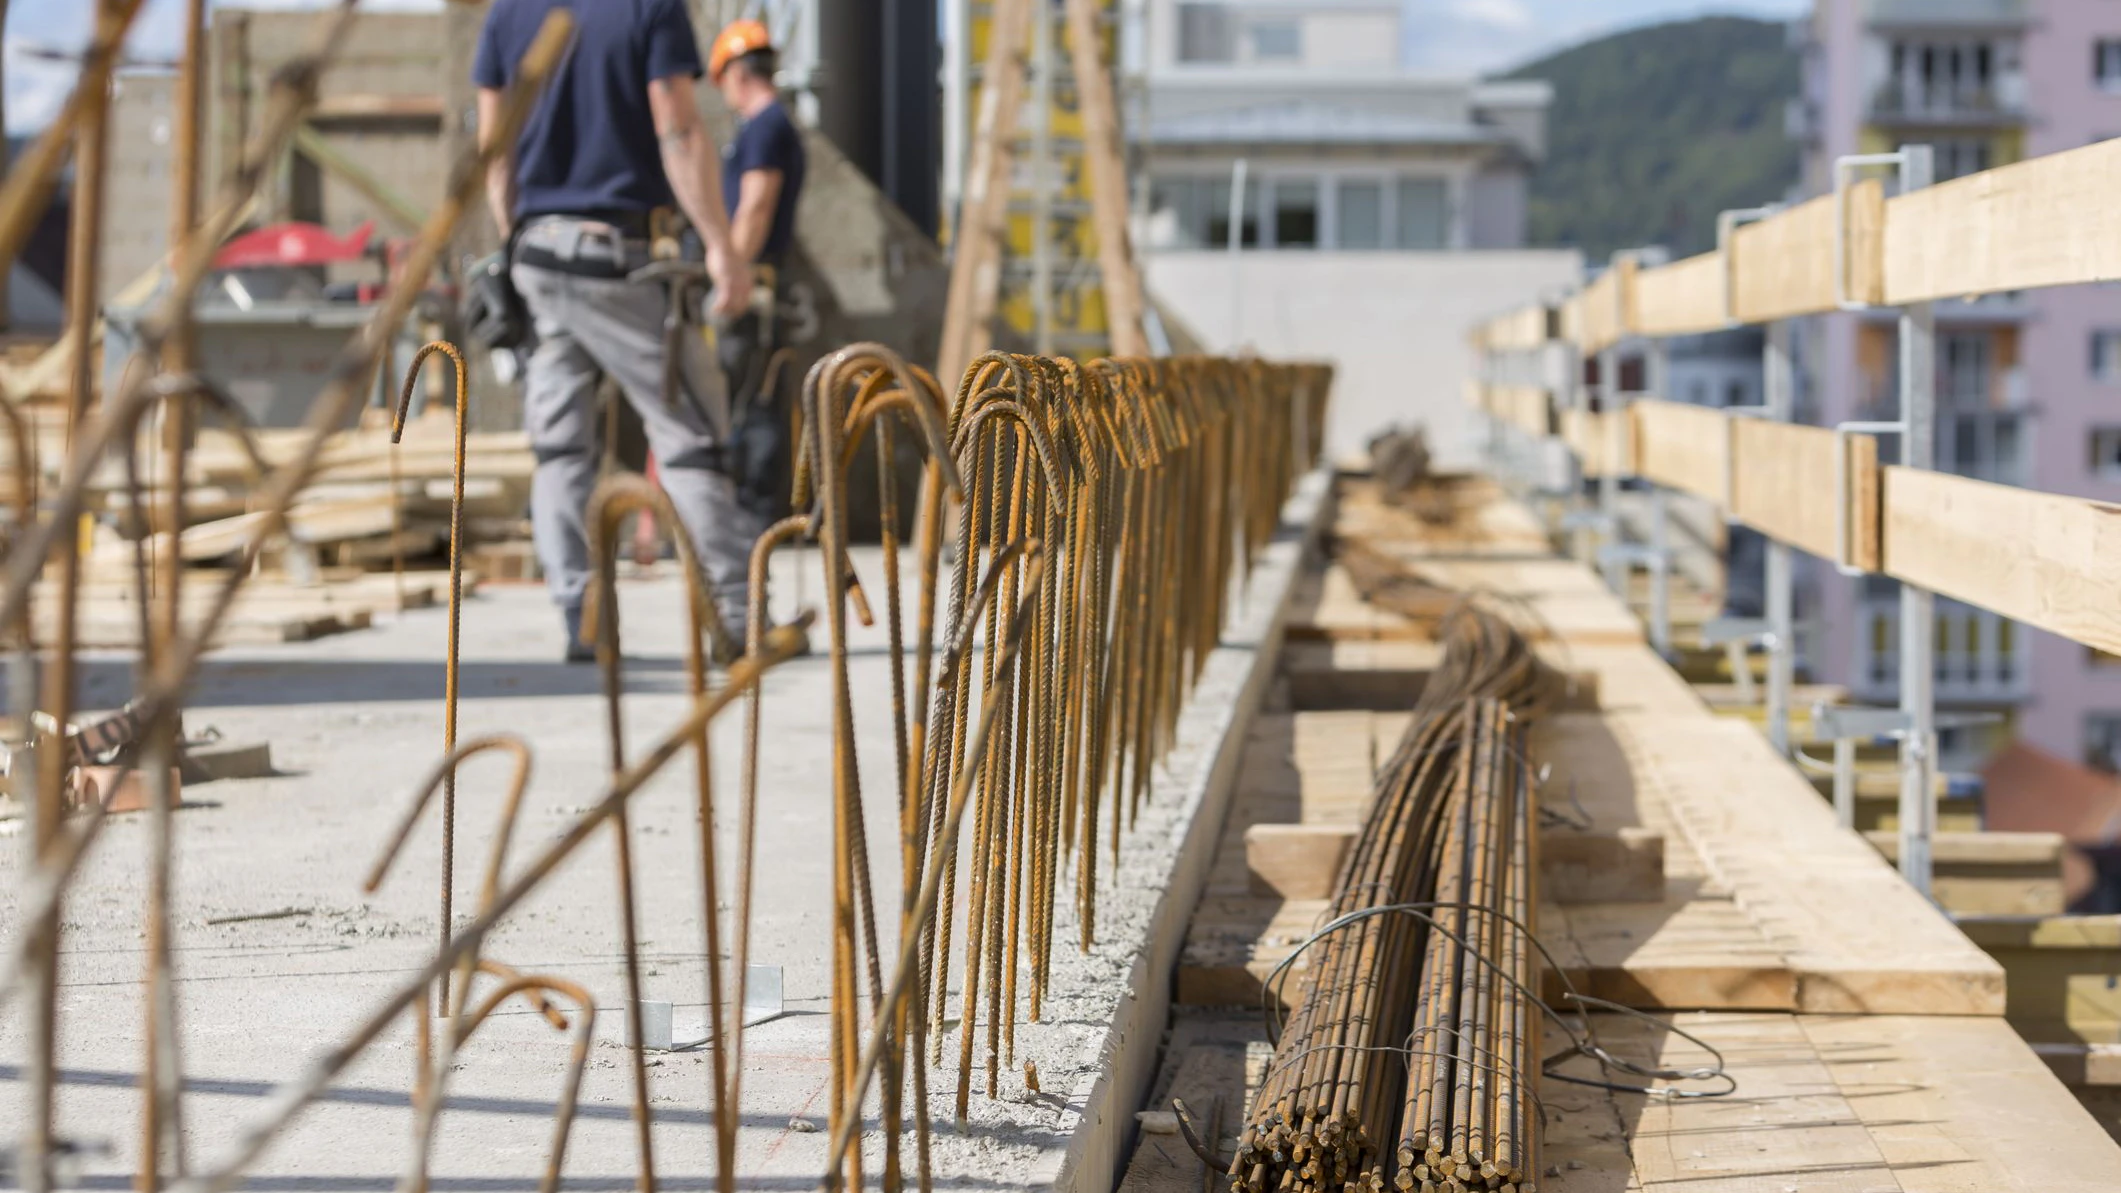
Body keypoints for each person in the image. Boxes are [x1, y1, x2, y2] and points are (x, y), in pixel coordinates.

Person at [474, 0, 756, 662]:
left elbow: (494, 148)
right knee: (687, 430)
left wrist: (515, 241)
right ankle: (734, 616)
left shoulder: (508, 13)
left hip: (537, 254)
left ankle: (583, 617)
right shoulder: (647, 7)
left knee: (561, 447)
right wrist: (720, 242)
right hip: (613, 257)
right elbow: (678, 129)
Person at [709, 19, 806, 522]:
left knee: (753, 402)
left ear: (736, 74)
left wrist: (734, 274)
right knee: (753, 399)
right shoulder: (767, 126)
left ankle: (754, 519)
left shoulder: (765, 127)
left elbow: (756, 207)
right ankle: (751, 515)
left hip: (754, 286)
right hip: (759, 282)